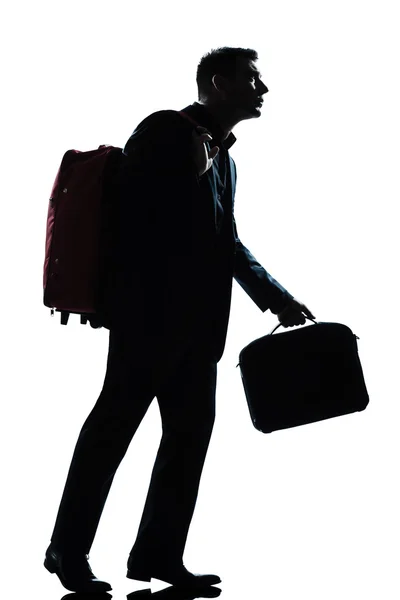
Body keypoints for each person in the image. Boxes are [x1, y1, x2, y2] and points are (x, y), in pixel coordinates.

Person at [44, 46, 315, 594]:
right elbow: (133, 219)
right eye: (252, 79)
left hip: (199, 330)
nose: (262, 91)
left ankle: (161, 556)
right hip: (148, 320)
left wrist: (278, 299)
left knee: (187, 443)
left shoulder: (227, 160)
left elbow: (227, 243)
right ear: (218, 83)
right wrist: (125, 306)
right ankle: (66, 552)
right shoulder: (167, 129)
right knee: (109, 435)